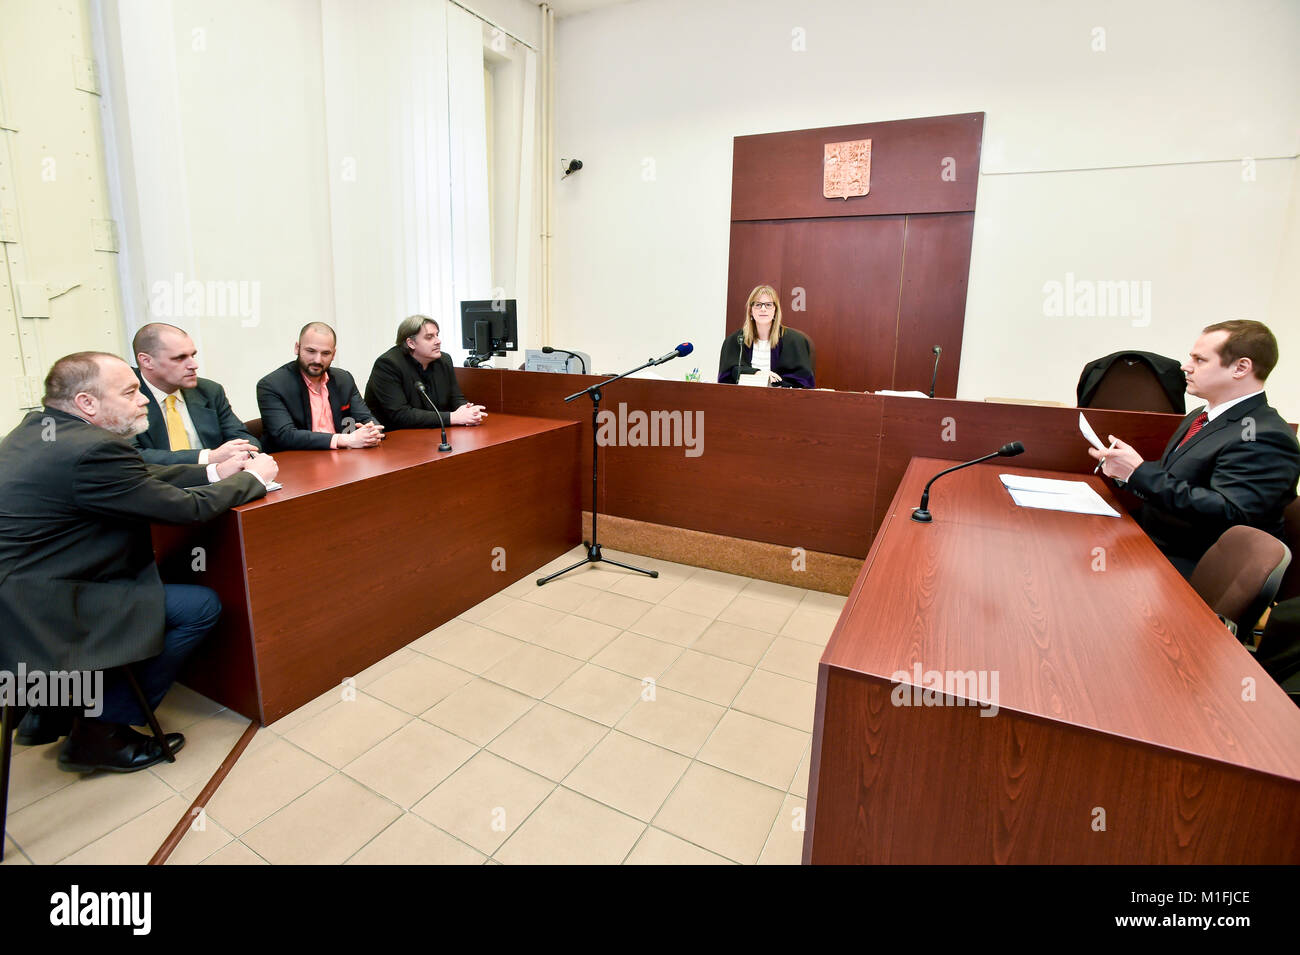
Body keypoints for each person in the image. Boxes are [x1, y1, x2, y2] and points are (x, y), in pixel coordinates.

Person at [0, 352, 277, 772]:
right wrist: (252, 480)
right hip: (49, 609)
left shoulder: (38, 431)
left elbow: (135, 476)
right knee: (199, 607)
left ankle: (59, 707)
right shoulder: (93, 450)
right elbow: (187, 511)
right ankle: (102, 731)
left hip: (21, 598)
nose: (143, 399)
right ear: (87, 403)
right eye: (129, 392)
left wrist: (217, 473)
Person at [1089, 320, 1300, 578]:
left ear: (1241, 368)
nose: (1185, 367)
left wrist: (1140, 473)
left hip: (1195, 565)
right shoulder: (1200, 415)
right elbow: (1178, 478)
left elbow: (1231, 515)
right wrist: (1127, 472)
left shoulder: (1262, 435)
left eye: (1200, 360)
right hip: (1153, 540)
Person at [132, 322, 261, 466]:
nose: (194, 365)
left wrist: (245, 452)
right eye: (179, 358)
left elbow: (241, 437)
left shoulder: (209, 391)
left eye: (192, 355)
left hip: (219, 482)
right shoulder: (125, 396)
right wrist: (209, 457)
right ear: (146, 361)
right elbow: (132, 456)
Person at [256, 322, 385, 451]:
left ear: (333, 354)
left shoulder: (344, 379)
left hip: (341, 458)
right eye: (311, 351)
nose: (318, 360)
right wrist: (344, 439)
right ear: (297, 348)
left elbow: (366, 419)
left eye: (325, 353)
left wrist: (371, 432)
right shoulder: (272, 385)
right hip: (298, 461)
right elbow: (285, 435)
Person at [364, 315, 489, 430]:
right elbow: (401, 415)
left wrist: (466, 410)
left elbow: (456, 397)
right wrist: (453, 417)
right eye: (429, 337)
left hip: (433, 431)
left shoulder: (443, 360)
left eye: (437, 335)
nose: (438, 341)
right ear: (411, 343)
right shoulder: (388, 365)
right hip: (395, 437)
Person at [717, 285, 815, 388]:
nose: (763, 309)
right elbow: (726, 377)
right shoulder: (736, 340)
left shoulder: (795, 341)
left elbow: (803, 381)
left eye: (768, 305)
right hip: (743, 399)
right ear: (750, 310)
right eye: (758, 305)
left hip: (781, 400)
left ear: (775, 310)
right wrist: (758, 373)